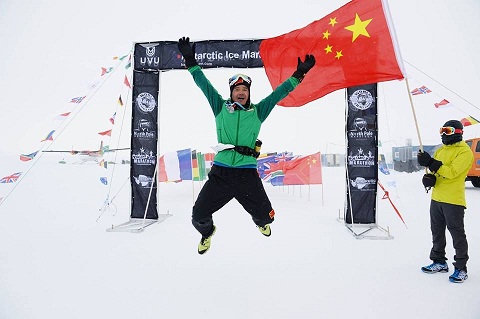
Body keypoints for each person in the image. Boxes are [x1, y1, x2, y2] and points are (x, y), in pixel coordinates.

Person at [177, 36, 316, 254]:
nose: (241, 93)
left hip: (246, 174)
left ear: (249, 93)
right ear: (231, 92)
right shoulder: (220, 107)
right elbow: (203, 84)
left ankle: (260, 221)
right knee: (198, 216)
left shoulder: (258, 111)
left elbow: (279, 93)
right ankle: (207, 232)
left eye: (245, 90)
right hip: (221, 173)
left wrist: (300, 74)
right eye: (237, 89)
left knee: (267, 217)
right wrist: (189, 58)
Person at [417, 119, 474, 283]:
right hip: (437, 198)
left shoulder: (465, 152)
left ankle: (461, 268)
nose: (443, 134)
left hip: (453, 200)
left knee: (457, 233)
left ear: (458, 132)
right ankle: (439, 261)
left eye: (447, 131)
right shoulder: (441, 150)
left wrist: (431, 163)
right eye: (442, 130)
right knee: (436, 231)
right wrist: (429, 178)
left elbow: (452, 172)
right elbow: (436, 172)